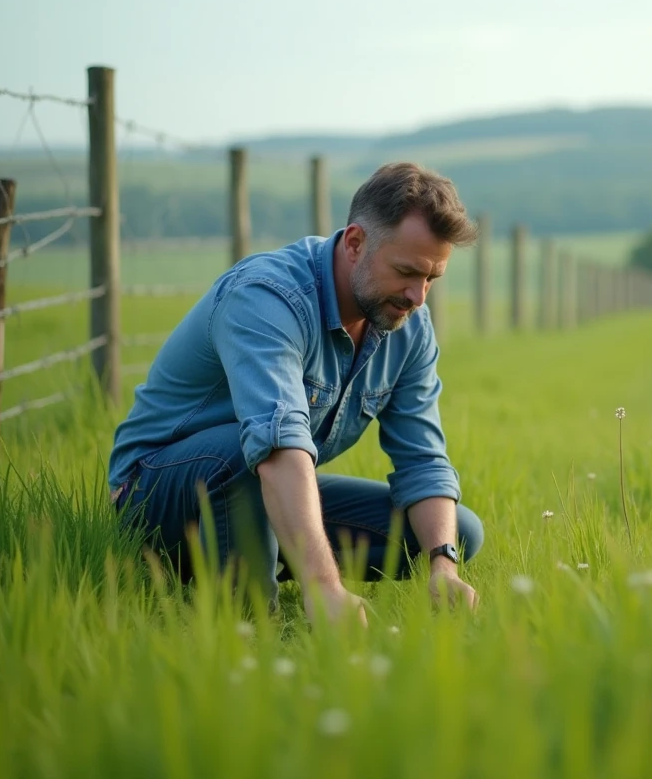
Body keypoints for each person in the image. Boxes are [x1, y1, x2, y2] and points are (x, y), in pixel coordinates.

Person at [107, 162, 483, 626]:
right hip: (156, 498)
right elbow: (276, 444)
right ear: (355, 243)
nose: (418, 296)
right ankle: (245, 626)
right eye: (406, 272)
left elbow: (423, 460)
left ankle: (264, 553)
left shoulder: (407, 325)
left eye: (431, 279)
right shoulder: (266, 297)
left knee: (457, 532)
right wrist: (323, 586)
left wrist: (443, 566)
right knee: (248, 450)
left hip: (258, 486)